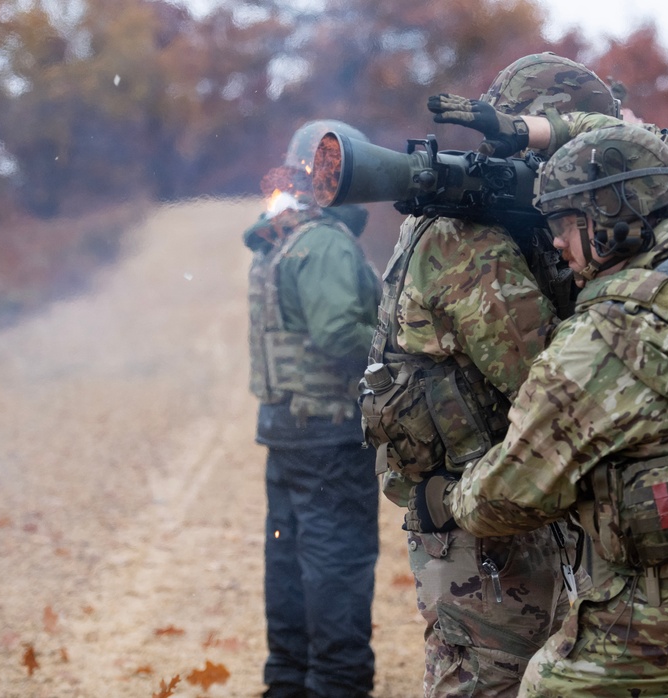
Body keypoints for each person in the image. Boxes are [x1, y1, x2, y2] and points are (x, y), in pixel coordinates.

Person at [410, 112, 668, 695]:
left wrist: (447, 498)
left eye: (565, 222)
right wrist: (535, 128)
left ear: (609, 219)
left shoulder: (605, 340)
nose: (556, 242)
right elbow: (662, 145)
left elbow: (506, 496)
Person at [359, 53, 620, 698]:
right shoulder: (467, 241)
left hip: (490, 508)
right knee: (484, 682)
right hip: (484, 528)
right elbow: (554, 387)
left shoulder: (482, 227)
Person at [244, 119, 381, 698]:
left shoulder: (281, 234)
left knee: (292, 561)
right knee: (337, 566)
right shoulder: (322, 240)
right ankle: (335, 686)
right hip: (328, 434)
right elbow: (337, 336)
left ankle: (288, 682)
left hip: (287, 431)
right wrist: (401, 341)